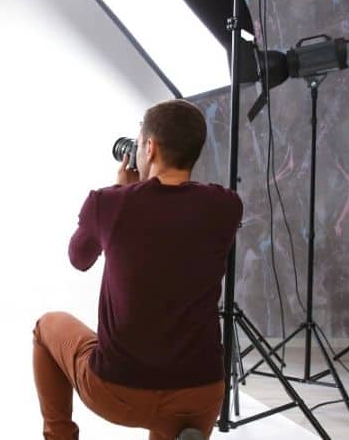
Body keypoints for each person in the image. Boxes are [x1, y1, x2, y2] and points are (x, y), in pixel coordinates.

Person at [32, 99, 243, 440]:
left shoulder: (110, 202)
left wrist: (123, 189)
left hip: (120, 391)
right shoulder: (226, 206)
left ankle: (60, 435)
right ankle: (180, 431)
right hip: (202, 392)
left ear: (149, 146)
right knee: (173, 416)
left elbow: (79, 257)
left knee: (46, 327)